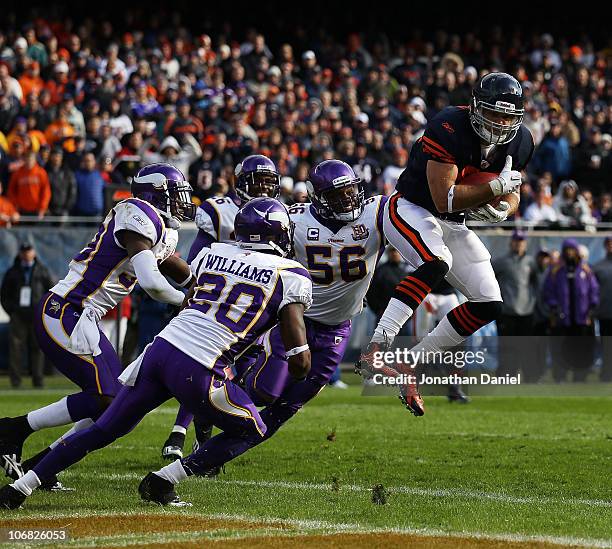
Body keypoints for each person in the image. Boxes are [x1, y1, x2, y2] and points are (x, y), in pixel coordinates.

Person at [0, 197, 313, 509]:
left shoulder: (212, 254)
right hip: (199, 366)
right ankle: (164, 480)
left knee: (105, 427)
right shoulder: (291, 274)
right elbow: (299, 359)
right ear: (279, 233)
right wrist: (291, 368)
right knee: (254, 428)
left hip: (160, 350)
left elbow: (194, 289)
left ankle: (19, 487)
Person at [168, 161, 387, 488]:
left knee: (284, 408)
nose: (348, 200)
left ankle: (197, 463)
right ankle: (201, 421)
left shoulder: (378, 212)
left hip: (337, 328)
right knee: (262, 390)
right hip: (290, 317)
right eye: (337, 194)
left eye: (351, 191)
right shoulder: (295, 218)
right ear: (318, 196)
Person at [0, 163, 196, 490]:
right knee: (108, 398)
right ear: (156, 194)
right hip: (66, 310)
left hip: (83, 317)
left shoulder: (160, 228)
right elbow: (151, 282)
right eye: (175, 195)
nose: (182, 202)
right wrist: (185, 300)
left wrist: (201, 286)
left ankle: (37, 460)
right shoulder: (137, 214)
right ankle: (14, 431)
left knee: (114, 401)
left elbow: (174, 264)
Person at [357, 73, 534, 415]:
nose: (500, 123)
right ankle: (376, 346)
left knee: (488, 303)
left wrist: (503, 207)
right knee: (436, 262)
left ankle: (414, 365)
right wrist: (495, 189)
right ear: (474, 107)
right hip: (411, 207)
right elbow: (443, 199)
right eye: (494, 114)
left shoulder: (522, 141)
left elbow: (513, 191)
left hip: (455, 223)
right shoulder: (449, 126)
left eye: (508, 117)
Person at [161, 154, 281, 460]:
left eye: (271, 181)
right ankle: (184, 434)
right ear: (241, 184)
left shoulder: (280, 214)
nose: (266, 188)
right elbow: (198, 263)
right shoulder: (220, 211)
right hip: (220, 304)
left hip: (255, 309)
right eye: (260, 181)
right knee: (205, 368)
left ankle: (203, 440)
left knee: (234, 378)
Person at [542, 239, 599, 382]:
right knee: (561, 349)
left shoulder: (586, 271)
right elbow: (548, 292)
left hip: (582, 318)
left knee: (582, 349)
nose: (569, 253)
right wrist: (555, 308)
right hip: (563, 318)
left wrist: (591, 310)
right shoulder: (556, 271)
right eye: (567, 250)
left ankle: (580, 377)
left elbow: (593, 291)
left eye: (572, 250)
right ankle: (560, 376)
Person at [0, 244, 54, 389]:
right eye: (23, 251)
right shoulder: (13, 271)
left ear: (33, 252)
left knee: (38, 348)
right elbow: (4, 294)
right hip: (18, 315)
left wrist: (43, 310)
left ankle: (38, 380)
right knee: (16, 349)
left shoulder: (42, 270)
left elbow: (51, 291)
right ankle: (16, 382)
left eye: (28, 251)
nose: (26, 254)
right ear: (20, 253)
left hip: (36, 314)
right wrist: (12, 310)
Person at [492, 231, 539, 380]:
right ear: (511, 243)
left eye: (521, 241)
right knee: (507, 347)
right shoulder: (501, 262)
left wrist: (533, 301)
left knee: (527, 346)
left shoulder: (531, 262)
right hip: (507, 311)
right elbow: (489, 279)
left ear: (525, 243)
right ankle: (506, 375)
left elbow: (536, 282)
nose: (519, 244)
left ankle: (530, 376)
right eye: (516, 241)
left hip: (526, 311)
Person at [7, 151, 50, 218]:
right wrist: (15, 205)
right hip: (21, 210)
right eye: (27, 159)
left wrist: (42, 208)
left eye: (31, 159)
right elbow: (11, 190)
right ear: (24, 160)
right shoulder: (18, 173)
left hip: (37, 210)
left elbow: (46, 192)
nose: (29, 161)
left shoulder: (41, 173)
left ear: (35, 160)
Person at [593, 237, 612, 381]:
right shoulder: (598, 267)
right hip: (605, 313)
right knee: (606, 347)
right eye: (609, 243)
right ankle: (606, 373)